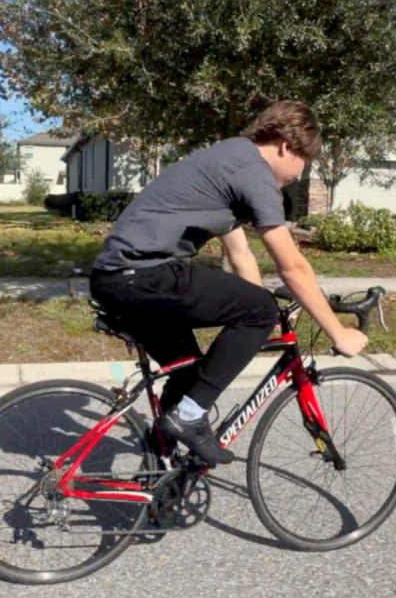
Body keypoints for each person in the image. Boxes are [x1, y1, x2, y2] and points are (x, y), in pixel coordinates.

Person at [87, 100, 369, 467]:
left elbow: (241, 257)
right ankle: (188, 417)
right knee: (257, 312)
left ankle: (159, 479)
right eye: (304, 160)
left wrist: (263, 313)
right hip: (144, 274)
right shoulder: (254, 173)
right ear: (285, 145)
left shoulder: (228, 159)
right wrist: (337, 332)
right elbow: (293, 267)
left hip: (119, 279)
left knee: (188, 373)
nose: (301, 174)